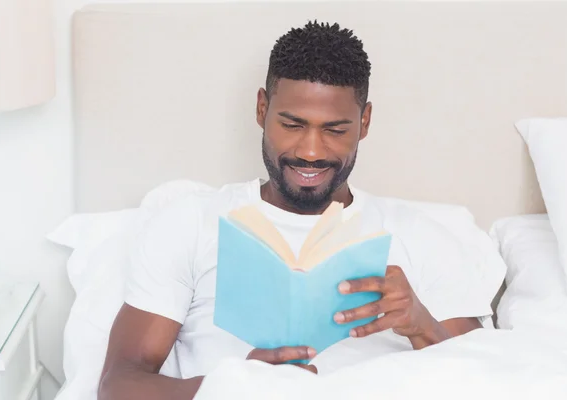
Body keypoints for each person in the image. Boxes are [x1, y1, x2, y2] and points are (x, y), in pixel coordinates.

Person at [98, 21, 494, 400]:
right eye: (292, 124)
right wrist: (234, 388)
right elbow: (119, 386)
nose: (310, 151)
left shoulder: (422, 238)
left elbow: (489, 385)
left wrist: (422, 327)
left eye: (335, 130)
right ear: (261, 109)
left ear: (365, 121)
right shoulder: (190, 222)